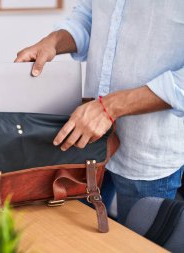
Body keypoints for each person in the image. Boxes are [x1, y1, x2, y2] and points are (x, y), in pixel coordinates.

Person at [15, 0, 184, 224]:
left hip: (147, 153)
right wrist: (53, 42)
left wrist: (109, 108)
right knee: (71, 239)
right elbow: (89, 16)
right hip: (88, 143)